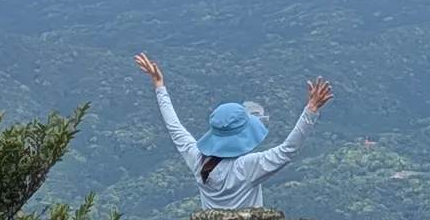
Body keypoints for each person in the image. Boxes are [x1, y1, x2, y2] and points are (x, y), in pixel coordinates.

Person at [135, 53, 332, 209]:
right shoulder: (247, 167)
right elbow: (288, 150)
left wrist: (159, 85)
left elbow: (174, 127)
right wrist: (311, 110)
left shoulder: (198, 160)